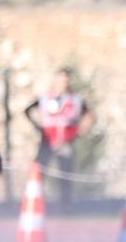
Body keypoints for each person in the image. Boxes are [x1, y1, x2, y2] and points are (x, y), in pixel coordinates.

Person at [24, 68, 95, 203]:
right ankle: (34, 201)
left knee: (65, 175)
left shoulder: (75, 100)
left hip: (66, 142)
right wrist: (37, 127)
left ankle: (65, 205)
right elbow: (27, 110)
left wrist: (80, 130)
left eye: (66, 80)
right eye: (61, 79)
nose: (63, 83)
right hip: (47, 140)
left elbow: (89, 115)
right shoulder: (45, 98)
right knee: (39, 171)